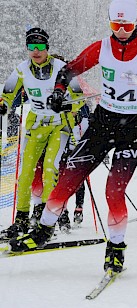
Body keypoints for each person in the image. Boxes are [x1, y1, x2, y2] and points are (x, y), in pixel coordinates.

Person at [8, 0, 137, 275]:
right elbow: (68, 70)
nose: (122, 31)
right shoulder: (102, 47)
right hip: (103, 122)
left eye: (127, 26)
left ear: (136, 23)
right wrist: (58, 92)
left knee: (113, 191)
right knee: (69, 175)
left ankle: (116, 249)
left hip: (133, 128)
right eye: (116, 26)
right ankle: (44, 229)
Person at [0, 27, 83, 241]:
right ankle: (21, 220)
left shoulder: (62, 68)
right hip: (36, 124)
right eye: (31, 46)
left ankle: (48, 221)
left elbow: (79, 99)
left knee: (50, 168)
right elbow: (7, 94)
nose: (36, 51)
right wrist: (3, 105)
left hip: (58, 125)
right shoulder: (21, 69)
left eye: (40, 46)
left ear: (47, 48)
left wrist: (66, 106)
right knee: (25, 172)